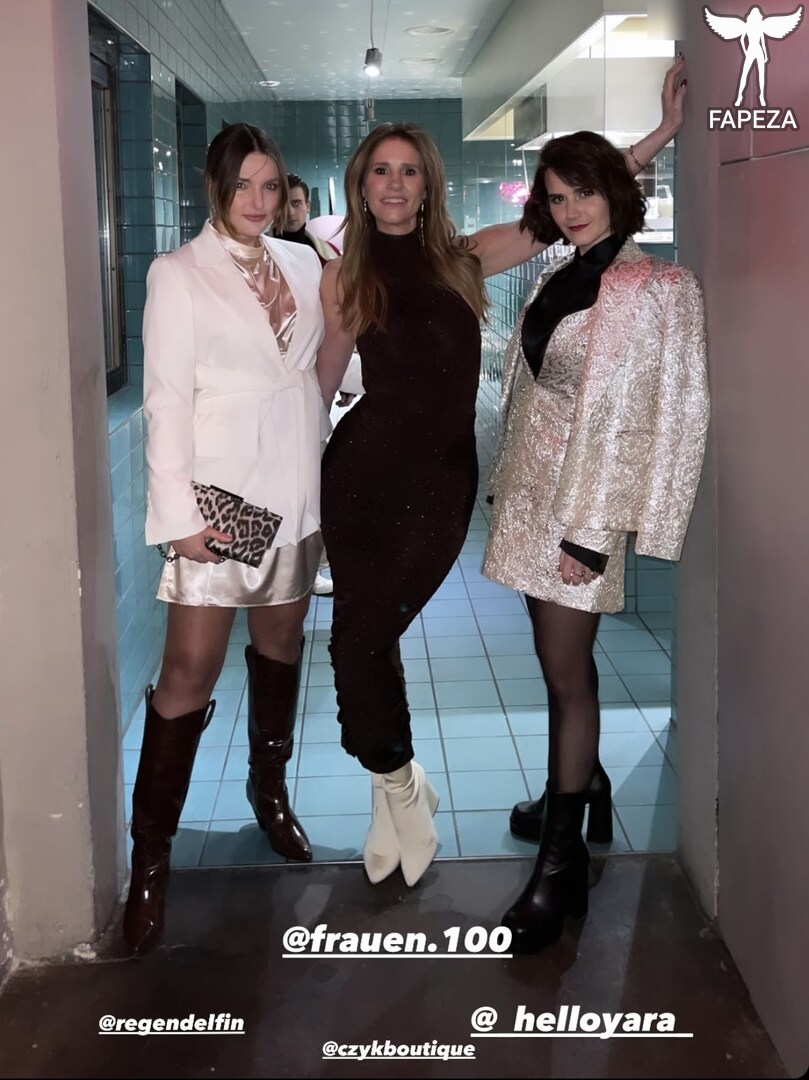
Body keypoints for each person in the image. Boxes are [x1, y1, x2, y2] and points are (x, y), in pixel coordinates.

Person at [315, 59, 688, 891]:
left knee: (370, 636)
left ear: (427, 185)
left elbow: (574, 205)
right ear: (361, 185)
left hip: (440, 486)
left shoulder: (463, 257)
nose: (394, 184)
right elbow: (318, 384)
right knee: (356, 640)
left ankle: (400, 782)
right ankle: (395, 787)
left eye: (409, 171)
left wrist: (661, 135)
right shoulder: (344, 274)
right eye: (380, 170)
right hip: (360, 476)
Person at [483, 130, 709, 954]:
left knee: (567, 674)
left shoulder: (657, 287)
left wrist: (593, 533)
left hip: (581, 508)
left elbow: (654, 418)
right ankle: (581, 794)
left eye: (582, 191)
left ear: (616, 190)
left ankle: (558, 865)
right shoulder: (560, 270)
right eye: (556, 196)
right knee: (556, 668)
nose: (570, 208)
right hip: (529, 499)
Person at [124, 123, 327, 954]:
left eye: (270, 185)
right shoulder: (178, 273)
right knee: (189, 669)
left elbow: (322, 366)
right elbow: (165, 398)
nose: (258, 200)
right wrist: (178, 518)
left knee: (279, 647)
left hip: (297, 490)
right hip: (221, 499)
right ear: (215, 187)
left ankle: (267, 793)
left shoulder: (305, 264)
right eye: (243, 184)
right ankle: (150, 857)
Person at [277, 174, 341, 265]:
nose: (290, 212)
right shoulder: (260, 250)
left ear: (308, 206)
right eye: (283, 205)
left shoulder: (330, 253)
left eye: (296, 204)